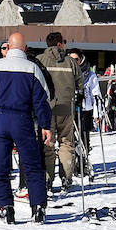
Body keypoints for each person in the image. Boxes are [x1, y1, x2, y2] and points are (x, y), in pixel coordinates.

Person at [0, 32, 52, 224]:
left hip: (1, 119)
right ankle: (38, 207)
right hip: (23, 120)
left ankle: (6, 207)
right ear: (24, 48)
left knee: (1, 167)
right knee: (32, 166)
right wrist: (45, 125)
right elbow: (42, 100)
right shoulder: (32, 69)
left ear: (8, 48)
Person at [37, 32, 82, 191]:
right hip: (66, 108)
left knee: (48, 144)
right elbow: (80, 84)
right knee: (66, 143)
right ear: (58, 44)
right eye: (63, 41)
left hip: (46, 109)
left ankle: (48, 178)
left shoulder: (40, 60)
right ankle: (66, 177)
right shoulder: (70, 62)